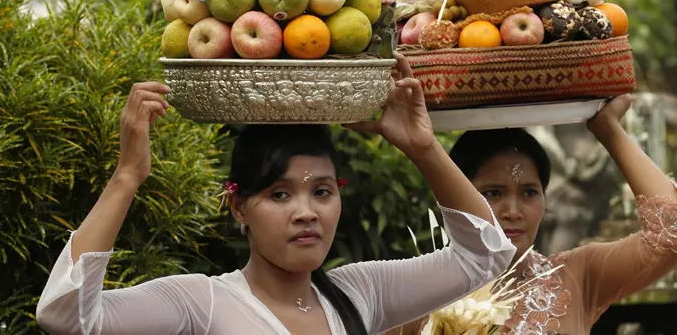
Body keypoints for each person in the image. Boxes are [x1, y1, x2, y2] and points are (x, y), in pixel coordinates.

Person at [36, 54, 516, 335]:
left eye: (322, 191)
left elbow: (487, 256)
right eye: (280, 195)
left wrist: (423, 146)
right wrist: (127, 176)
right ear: (238, 206)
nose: (307, 212)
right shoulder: (200, 303)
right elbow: (65, 314)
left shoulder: (360, 293)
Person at [386, 95, 677, 335]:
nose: (512, 212)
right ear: (452, 198)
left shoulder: (578, 276)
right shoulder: (420, 292)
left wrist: (609, 130)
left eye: (529, 193)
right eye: (492, 193)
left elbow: (671, 230)